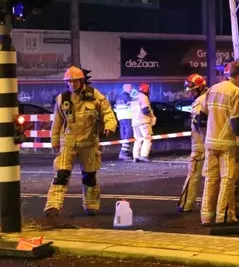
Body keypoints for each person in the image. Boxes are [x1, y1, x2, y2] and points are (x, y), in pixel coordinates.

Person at [44, 66, 117, 218]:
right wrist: (55, 140)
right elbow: (57, 122)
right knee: (61, 174)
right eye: (69, 82)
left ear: (81, 80)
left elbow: (107, 112)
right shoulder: (62, 99)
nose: (71, 84)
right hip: (68, 142)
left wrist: (110, 126)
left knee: (89, 176)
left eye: (74, 81)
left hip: (89, 143)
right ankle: (53, 206)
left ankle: (91, 205)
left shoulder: (94, 96)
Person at [200, 61, 239, 225]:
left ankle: (207, 216)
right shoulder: (237, 92)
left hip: (210, 142)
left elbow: (201, 118)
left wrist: (206, 137)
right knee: (228, 179)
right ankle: (223, 216)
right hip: (228, 144)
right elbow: (238, 123)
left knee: (211, 179)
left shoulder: (212, 89)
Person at [177, 74, 208, 212]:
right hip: (209, 143)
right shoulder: (209, 98)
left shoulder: (199, 102)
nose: (191, 94)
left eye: (193, 91)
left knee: (193, 175)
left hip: (200, 145)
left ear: (200, 87)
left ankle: (185, 204)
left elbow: (199, 125)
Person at [130, 83, 156, 162]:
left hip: (134, 122)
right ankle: (144, 155)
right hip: (143, 121)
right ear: (147, 90)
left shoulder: (134, 98)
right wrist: (152, 116)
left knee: (138, 139)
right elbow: (145, 110)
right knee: (147, 138)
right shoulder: (144, 97)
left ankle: (136, 156)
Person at [114, 84, 133, 161]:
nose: (131, 90)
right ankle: (123, 153)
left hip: (120, 118)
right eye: (130, 88)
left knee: (123, 134)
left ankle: (124, 152)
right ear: (126, 88)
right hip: (127, 117)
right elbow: (132, 106)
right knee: (128, 135)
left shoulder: (118, 97)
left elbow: (115, 108)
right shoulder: (128, 97)